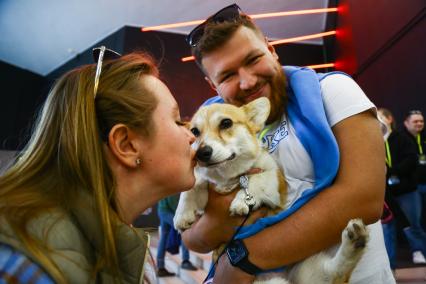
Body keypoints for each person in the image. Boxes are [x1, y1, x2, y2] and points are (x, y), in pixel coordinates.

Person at [181, 4, 394, 283]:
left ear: (271, 50)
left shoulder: (331, 91)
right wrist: (219, 222)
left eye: (253, 59)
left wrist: (242, 259)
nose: (247, 81)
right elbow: (191, 236)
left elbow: (364, 199)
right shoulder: (205, 133)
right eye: (228, 76)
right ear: (213, 85)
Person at [0, 48, 196, 283]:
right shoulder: (24, 265)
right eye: (177, 120)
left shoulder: (128, 247)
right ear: (126, 145)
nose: (191, 135)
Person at [378, 108, 426, 266]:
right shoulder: (373, 140)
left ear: (389, 119)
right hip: (385, 192)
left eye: (380, 117)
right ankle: (389, 265)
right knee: (387, 229)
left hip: (406, 190)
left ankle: (419, 251)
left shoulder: (402, 138)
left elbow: (411, 160)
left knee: (413, 224)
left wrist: (391, 171)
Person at [156, 194, 197, 277]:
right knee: (184, 230)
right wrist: (181, 215)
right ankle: (185, 261)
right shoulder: (171, 182)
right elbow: (172, 200)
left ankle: (160, 267)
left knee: (164, 238)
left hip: (162, 210)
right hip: (168, 211)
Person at [403, 110, 426, 227]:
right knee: (416, 221)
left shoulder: (424, 137)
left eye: (421, 121)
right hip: (412, 188)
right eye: (415, 121)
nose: (419, 123)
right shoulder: (401, 139)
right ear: (406, 123)